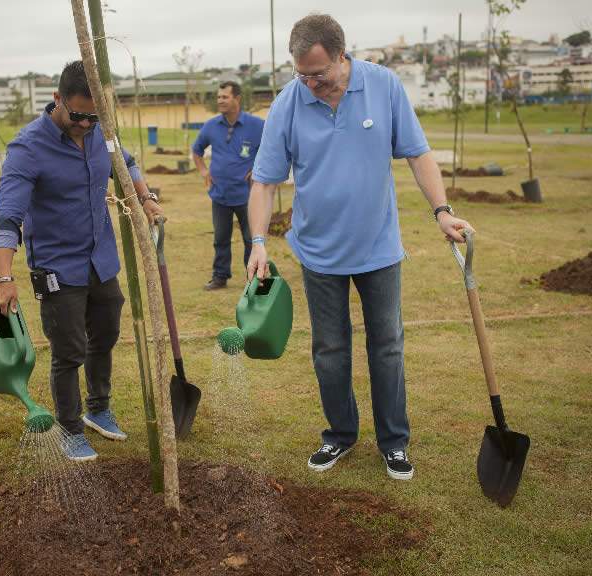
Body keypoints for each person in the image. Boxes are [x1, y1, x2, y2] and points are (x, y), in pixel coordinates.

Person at [247, 14, 473, 479]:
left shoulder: (383, 86)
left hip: (378, 249)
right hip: (318, 253)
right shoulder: (289, 102)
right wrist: (256, 243)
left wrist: (442, 211)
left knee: (387, 346)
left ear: (341, 56)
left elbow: (417, 152)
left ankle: (394, 442)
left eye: (319, 73)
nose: (310, 83)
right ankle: (340, 436)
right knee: (329, 349)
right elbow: (265, 182)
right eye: (302, 74)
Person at [0, 60, 164, 461]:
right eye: (80, 115)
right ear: (57, 99)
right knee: (69, 349)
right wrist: (3, 277)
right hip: (57, 266)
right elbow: (7, 215)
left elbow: (127, 162)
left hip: (100, 259)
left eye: (95, 116)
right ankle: (69, 428)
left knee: (105, 334)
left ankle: (98, 409)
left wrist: (146, 197)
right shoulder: (27, 148)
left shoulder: (102, 131)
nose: (87, 124)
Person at [192, 81, 265, 290]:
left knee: (251, 240)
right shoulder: (211, 125)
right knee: (221, 239)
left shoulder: (256, 125)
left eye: (224, 97)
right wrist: (204, 171)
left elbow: (272, 148)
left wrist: (259, 168)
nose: (220, 101)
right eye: (218, 97)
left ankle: (255, 280)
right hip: (220, 195)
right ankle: (220, 277)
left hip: (248, 196)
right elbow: (196, 151)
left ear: (237, 99)